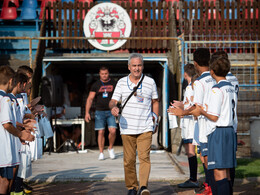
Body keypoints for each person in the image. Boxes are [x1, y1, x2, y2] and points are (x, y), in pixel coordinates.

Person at [109, 53, 159, 195]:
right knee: (129, 160)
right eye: (134, 66)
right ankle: (132, 187)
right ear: (129, 67)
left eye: (139, 65)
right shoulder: (121, 82)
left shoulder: (150, 82)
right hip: (127, 127)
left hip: (146, 126)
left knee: (144, 158)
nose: (137, 68)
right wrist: (113, 107)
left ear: (143, 66)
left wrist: (155, 120)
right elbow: (113, 100)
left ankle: (143, 186)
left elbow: (155, 101)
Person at [168, 48, 215, 195]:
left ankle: (208, 186)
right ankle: (211, 185)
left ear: (195, 63)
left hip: (202, 124)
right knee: (211, 158)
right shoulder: (216, 79)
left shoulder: (198, 83)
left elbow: (196, 107)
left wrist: (182, 111)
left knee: (203, 156)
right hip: (215, 124)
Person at [191, 56, 237, 195]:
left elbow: (214, 116)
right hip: (229, 130)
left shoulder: (216, 89)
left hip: (219, 132)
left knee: (219, 173)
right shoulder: (230, 86)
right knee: (227, 173)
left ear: (212, 71)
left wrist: (201, 111)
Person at [0, 66, 34, 195]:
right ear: (11, 81)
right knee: (5, 181)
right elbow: (7, 124)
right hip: (5, 145)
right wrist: (22, 134)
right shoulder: (6, 99)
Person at [173, 64, 199, 188]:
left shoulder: (192, 87)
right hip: (188, 121)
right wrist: (181, 104)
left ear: (185, 74)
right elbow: (189, 103)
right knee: (190, 151)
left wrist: (181, 109)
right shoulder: (190, 86)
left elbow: (192, 105)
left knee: (191, 151)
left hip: (190, 122)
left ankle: (193, 179)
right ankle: (192, 178)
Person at [85, 66, 117, 160]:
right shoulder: (96, 84)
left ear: (108, 73)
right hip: (99, 111)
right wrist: (87, 113)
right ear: (99, 74)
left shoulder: (114, 83)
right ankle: (101, 152)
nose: (104, 75)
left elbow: (119, 96)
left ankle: (110, 148)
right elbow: (90, 99)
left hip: (111, 111)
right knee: (101, 132)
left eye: (106, 74)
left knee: (113, 131)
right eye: (102, 74)